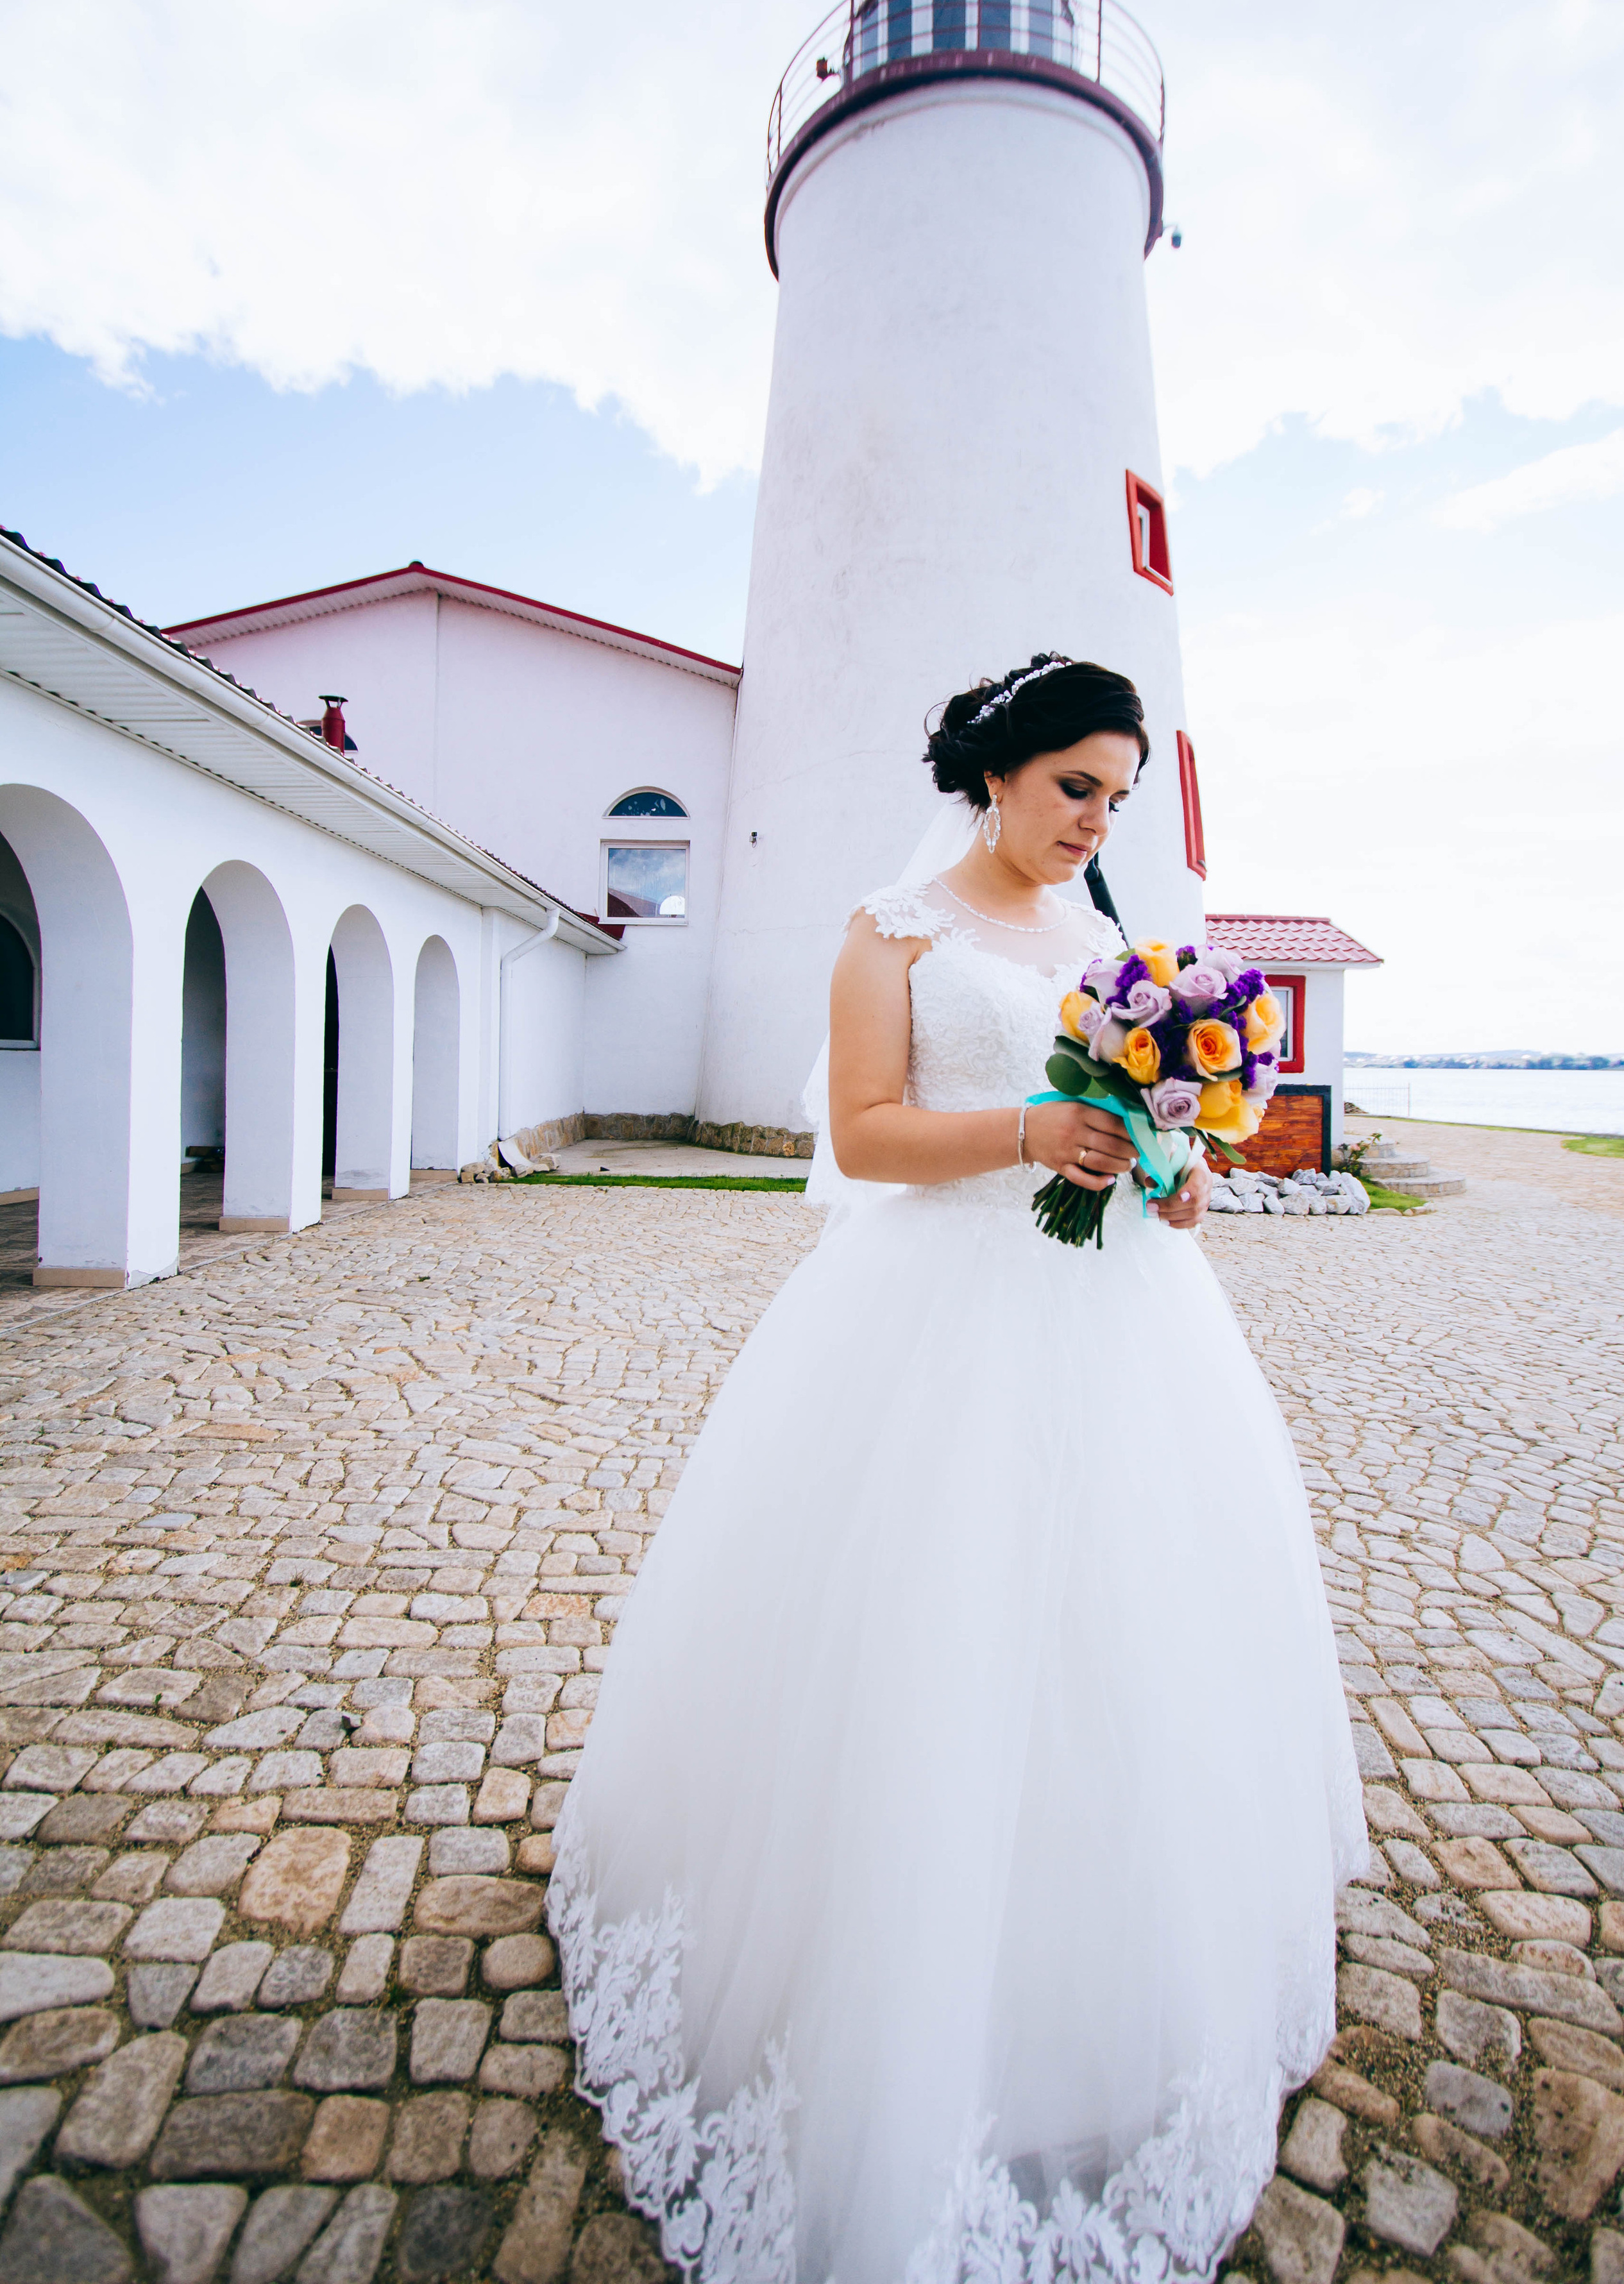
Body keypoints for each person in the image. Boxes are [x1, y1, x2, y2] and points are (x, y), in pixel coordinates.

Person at [547, 655, 1370, 2283]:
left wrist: (1171, 1163)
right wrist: (1020, 1135)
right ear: (994, 773)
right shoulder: (891, 929)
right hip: (938, 1322)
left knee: (1127, 1643)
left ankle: (1099, 1987)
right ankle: (888, 2013)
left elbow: (1148, 1126)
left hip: (1120, 1320)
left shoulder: (1110, 948)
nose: (1094, 820)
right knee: (935, 1631)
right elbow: (860, 1136)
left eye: (1117, 796)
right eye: (1074, 785)